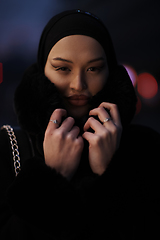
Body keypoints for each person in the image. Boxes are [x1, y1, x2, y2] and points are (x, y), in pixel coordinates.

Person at [0, 9, 160, 239]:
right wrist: (51, 177)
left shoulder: (147, 146)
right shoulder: (7, 149)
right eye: (63, 68)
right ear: (42, 72)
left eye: (93, 68)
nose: (78, 84)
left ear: (111, 73)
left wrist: (111, 174)